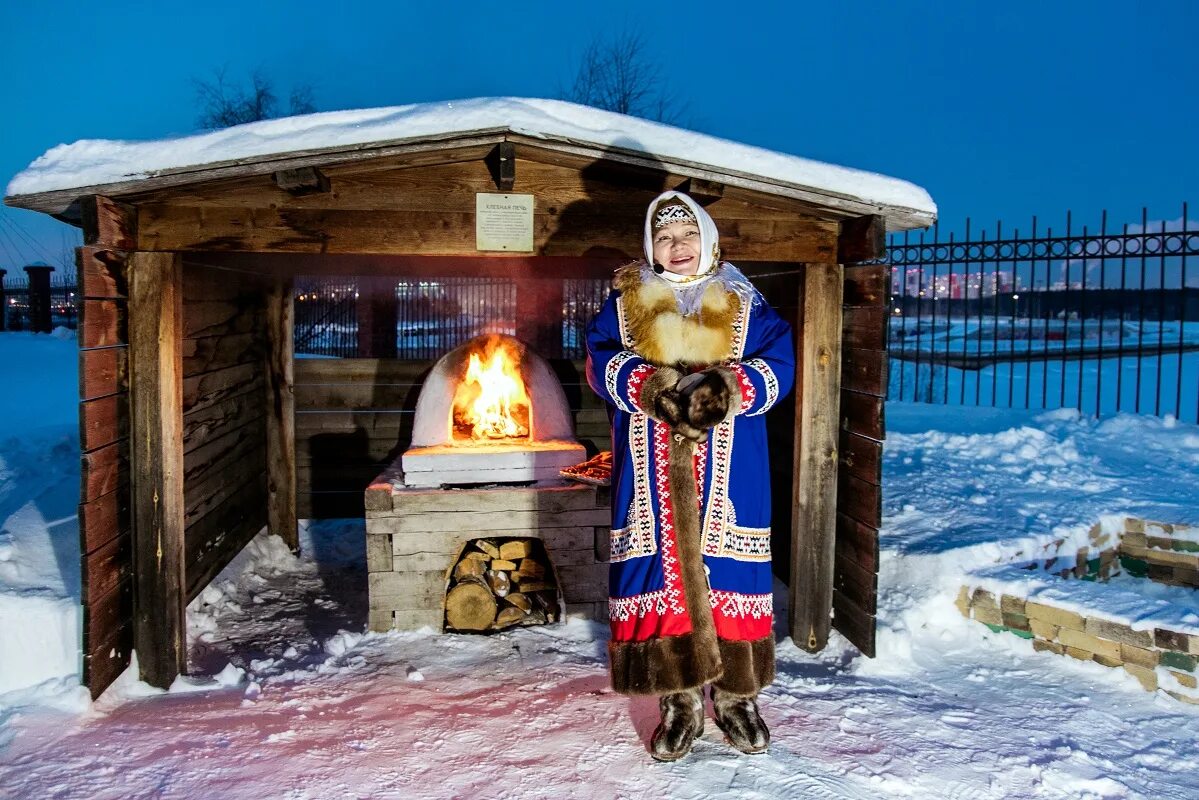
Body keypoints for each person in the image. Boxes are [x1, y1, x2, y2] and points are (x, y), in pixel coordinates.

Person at [585, 190, 795, 761]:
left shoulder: (744, 303)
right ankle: (678, 702)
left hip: (730, 474)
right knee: (660, 579)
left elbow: (780, 364)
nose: (676, 247)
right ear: (650, 246)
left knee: (731, 578)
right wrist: (647, 387)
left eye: (686, 235)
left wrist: (722, 393)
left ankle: (736, 698)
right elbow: (598, 359)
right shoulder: (626, 307)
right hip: (650, 473)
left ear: (707, 238)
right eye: (664, 237)